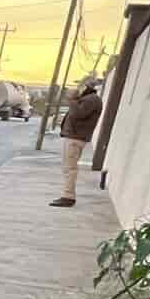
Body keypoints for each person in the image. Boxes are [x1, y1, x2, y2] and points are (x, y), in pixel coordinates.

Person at [53, 79, 103, 208]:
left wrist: (73, 99)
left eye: (80, 87)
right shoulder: (89, 99)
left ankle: (68, 196)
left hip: (76, 138)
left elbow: (77, 114)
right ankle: (67, 195)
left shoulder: (91, 100)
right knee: (68, 167)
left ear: (87, 88)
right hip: (74, 136)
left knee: (70, 168)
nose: (77, 89)